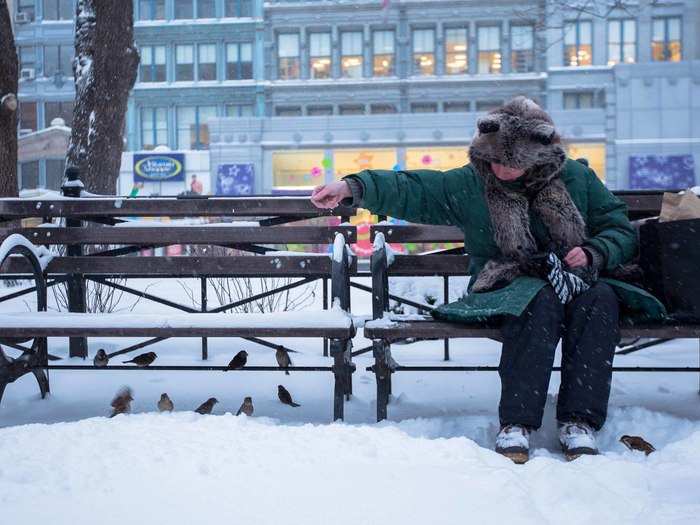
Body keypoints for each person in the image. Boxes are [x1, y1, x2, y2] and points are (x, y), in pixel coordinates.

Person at [310, 96, 665, 463]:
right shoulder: (472, 182)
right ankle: (516, 423)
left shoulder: (577, 178)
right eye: (494, 160)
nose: (500, 169)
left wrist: (595, 252)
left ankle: (580, 421)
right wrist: (353, 187)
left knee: (600, 300)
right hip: (506, 280)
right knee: (535, 300)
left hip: (577, 279)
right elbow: (413, 187)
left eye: (510, 163)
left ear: (537, 157)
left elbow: (618, 228)